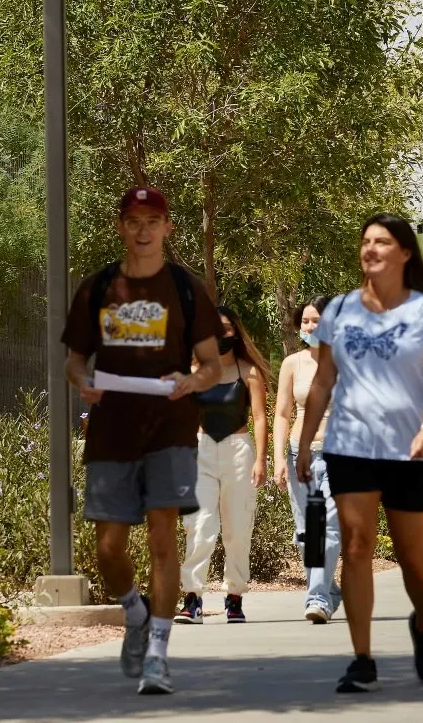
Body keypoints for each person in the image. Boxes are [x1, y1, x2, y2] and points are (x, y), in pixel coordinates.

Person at [61, 186, 222, 695]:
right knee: (108, 547)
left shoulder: (187, 287)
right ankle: (135, 612)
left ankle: (157, 651)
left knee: (161, 540)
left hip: (170, 431)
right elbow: (73, 359)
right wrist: (79, 380)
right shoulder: (97, 287)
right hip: (111, 432)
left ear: (167, 227)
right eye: (134, 221)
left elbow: (213, 365)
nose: (144, 230)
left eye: (154, 220)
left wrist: (191, 382)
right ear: (121, 227)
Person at [296, 213, 423, 693]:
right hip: (350, 445)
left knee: (414, 559)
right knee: (356, 546)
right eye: (365, 240)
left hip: (411, 449)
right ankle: (362, 659)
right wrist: (307, 443)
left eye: (382, 241)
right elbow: (324, 380)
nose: (371, 248)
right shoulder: (340, 311)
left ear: (404, 253)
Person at [177, 306, 270, 625]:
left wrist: (261, 458)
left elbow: (260, 417)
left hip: (238, 451)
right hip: (201, 450)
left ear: (236, 332)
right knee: (200, 525)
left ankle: (234, 598)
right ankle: (193, 598)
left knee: (238, 528)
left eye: (226, 329)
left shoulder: (249, 372)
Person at [272, 295, 343, 624]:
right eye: (306, 322)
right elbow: (282, 413)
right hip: (300, 453)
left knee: (326, 528)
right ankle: (329, 589)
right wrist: (277, 460)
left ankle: (316, 599)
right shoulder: (293, 363)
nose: (311, 326)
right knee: (305, 534)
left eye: (317, 321)